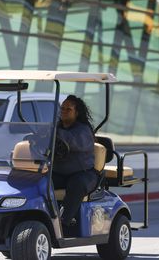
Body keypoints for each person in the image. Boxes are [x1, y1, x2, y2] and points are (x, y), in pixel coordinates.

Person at [53, 95, 98, 227]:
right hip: (59, 173)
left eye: (69, 109)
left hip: (83, 173)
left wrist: (51, 133)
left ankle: (64, 222)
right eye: (62, 108)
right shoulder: (57, 127)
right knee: (39, 182)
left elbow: (70, 140)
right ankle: (38, 215)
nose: (64, 111)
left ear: (77, 113)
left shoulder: (83, 130)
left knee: (77, 184)